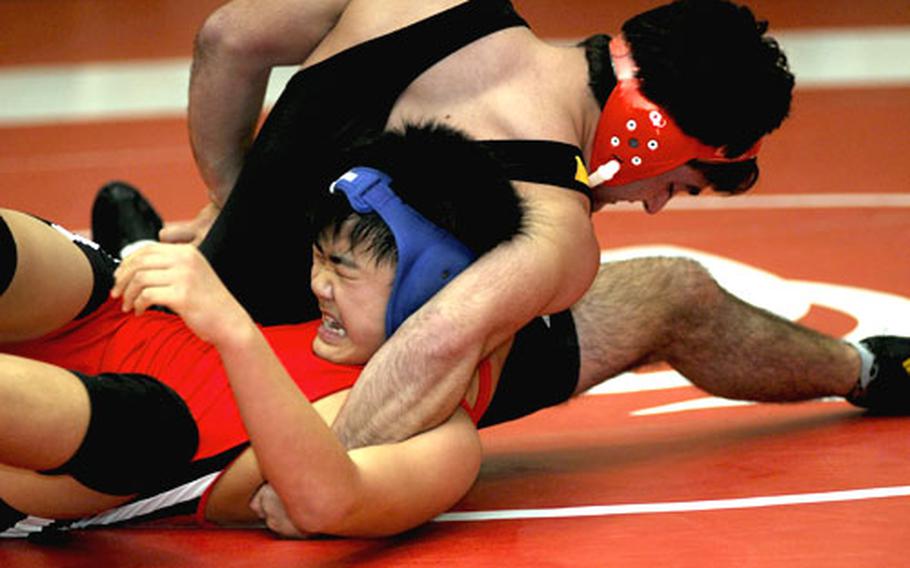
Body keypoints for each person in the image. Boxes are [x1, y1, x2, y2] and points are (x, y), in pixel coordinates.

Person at [0, 124, 524, 539]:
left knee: (149, 427)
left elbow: (329, 502)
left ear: (430, 285)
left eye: (343, 269)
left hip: (89, 449)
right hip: (113, 319)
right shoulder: (325, 315)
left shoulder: (444, 439)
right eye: (318, 258)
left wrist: (234, 332)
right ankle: (134, 252)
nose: (319, 283)